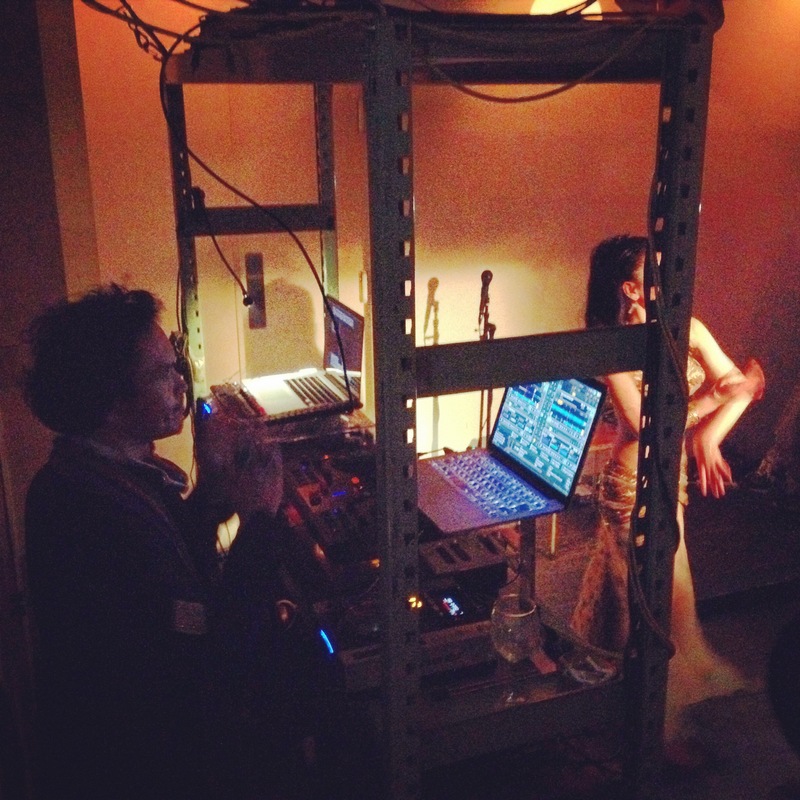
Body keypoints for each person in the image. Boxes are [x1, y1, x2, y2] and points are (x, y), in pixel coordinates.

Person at [24, 285, 291, 799]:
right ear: (108, 403)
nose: (180, 383)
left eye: (176, 364)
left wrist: (214, 490)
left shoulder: (86, 474)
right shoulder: (88, 515)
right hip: (149, 770)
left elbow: (169, 565)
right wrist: (260, 519)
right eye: (161, 374)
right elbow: (217, 653)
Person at [569, 235, 765, 751]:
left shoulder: (688, 327)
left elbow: (741, 386)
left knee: (658, 604)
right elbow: (642, 425)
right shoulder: (613, 343)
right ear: (631, 289)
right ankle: (654, 732)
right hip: (629, 487)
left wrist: (709, 438)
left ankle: (638, 715)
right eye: (654, 269)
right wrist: (706, 403)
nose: (671, 274)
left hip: (669, 481)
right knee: (659, 610)